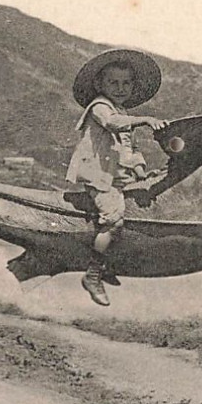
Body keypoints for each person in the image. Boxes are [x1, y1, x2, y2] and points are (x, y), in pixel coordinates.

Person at [66, 49, 168, 307]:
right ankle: (93, 274)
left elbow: (130, 149)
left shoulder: (120, 110)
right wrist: (144, 119)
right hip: (99, 175)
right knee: (114, 219)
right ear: (100, 84)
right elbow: (113, 123)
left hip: (116, 176)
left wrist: (141, 173)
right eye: (113, 82)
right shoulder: (101, 107)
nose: (120, 88)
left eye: (126, 83)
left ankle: (107, 261)